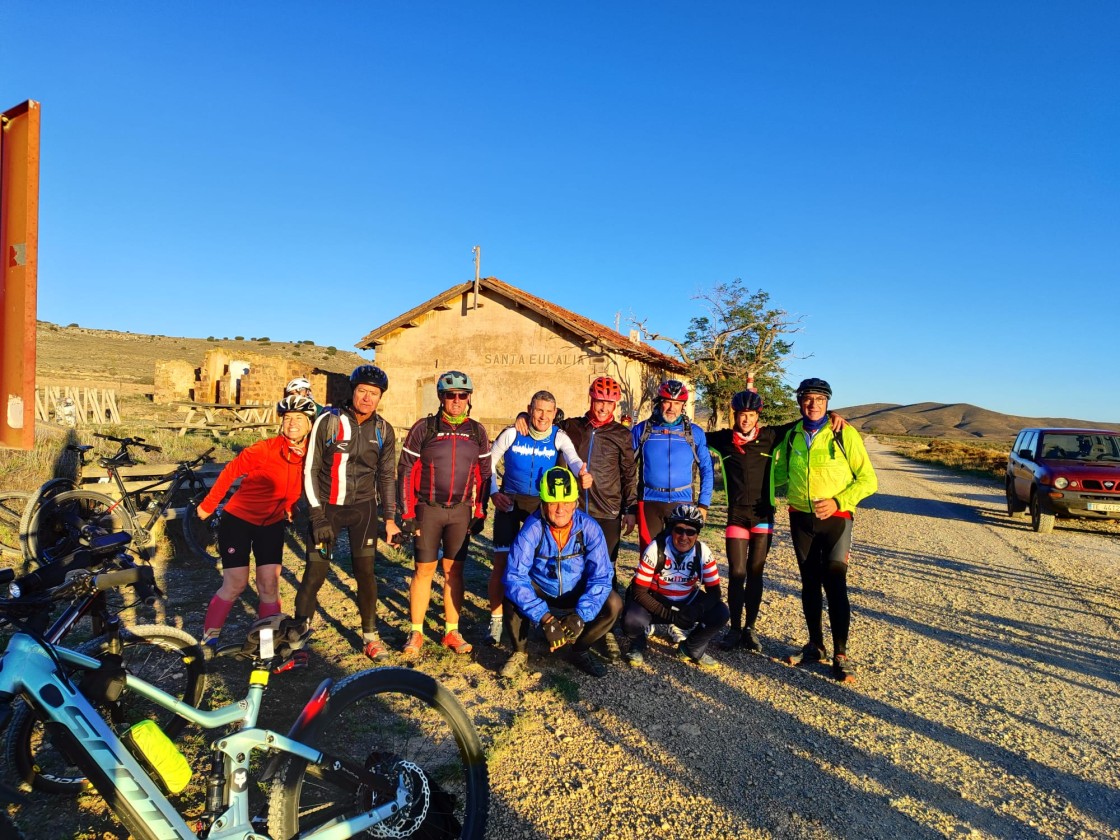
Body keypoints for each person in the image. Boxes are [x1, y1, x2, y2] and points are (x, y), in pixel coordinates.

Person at [706, 391, 846, 653]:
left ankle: (750, 629)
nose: (745, 420)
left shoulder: (770, 436)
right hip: (736, 515)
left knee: (756, 572)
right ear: (734, 415)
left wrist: (832, 415)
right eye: (741, 415)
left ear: (758, 415)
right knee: (737, 573)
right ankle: (734, 629)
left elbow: (804, 419)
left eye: (750, 415)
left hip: (763, 516)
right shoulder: (723, 439)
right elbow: (690, 435)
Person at [772, 377, 877, 683]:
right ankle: (815, 645)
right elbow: (777, 474)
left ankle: (841, 654)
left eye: (820, 399)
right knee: (808, 584)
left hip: (837, 519)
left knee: (835, 583)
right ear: (799, 402)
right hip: (800, 517)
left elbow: (868, 480)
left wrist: (838, 501)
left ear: (828, 403)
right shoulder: (791, 434)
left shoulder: (844, 433)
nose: (813, 404)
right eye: (807, 398)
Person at [291, 364, 399, 661]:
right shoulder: (328, 421)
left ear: (380, 397)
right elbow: (310, 468)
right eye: (362, 391)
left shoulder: (383, 430)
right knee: (315, 572)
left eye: (373, 393)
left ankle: (370, 636)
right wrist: (316, 515)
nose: (367, 398)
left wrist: (389, 518)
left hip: (363, 510)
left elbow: (387, 476)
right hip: (327, 507)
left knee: (366, 573)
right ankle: (298, 637)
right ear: (353, 391)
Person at [197, 394, 317, 645]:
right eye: (287, 418)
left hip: (271, 524)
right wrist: (208, 506)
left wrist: (290, 506)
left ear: (310, 423)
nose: (292, 423)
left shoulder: (309, 457)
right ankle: (209, 640)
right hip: (238, 521)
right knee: (236, 583)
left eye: (299, 418)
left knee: (269, 585)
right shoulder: (264, 449)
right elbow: (230, 471)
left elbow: (297, 485)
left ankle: (265, 646)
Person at [398, 371, 492, 658]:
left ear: (468, 398)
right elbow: (405, 471)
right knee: (424, 570)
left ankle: (451, 630)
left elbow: (484, 474)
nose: (457, 400)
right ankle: (416, 631)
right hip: (428, 510)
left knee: (454, 572)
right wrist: (407, 512)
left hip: (460, 511)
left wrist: (480, 511)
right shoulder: (423, 428)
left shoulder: (477, 431)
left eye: (462, 395)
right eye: (450, 395)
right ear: (441, 397)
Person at [487, 391, 590, 646]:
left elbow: (575, 460)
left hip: (541, 505)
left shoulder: (559, 437)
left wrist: (582, 474)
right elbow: (488, 462)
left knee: (539, 559)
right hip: (510, 500)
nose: (543, 416)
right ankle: (496, 619)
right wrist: (493, 492)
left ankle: (540, 614)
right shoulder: (513, 433)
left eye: (548, 411)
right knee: (502, 562)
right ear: (529, 409)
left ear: (555, 414)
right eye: (538, 410)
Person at [500, 466, 622, 679]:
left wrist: (580, 616)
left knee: (614, 603)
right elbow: (514, 578)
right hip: (543, 589)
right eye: (553, 502)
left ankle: (579, 650)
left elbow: (601, 577)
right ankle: (519, 653)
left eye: (566, 502)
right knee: (511, 597)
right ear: (543, 503)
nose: (560, 509)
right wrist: (546, 619)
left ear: (575, 503)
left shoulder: (590, 528)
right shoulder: (531, 529)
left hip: (575, 591)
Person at [621, 504, 728, 669]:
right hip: (656, 600)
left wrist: (696, 610)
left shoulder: (703, 551)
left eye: (691, 532)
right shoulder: (656, 548)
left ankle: (690, 648)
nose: (684, 537)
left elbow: (714, 593)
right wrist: (670, 616)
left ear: (697, 534)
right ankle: (638, 644)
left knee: (720, 612)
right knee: (630, 618)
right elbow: (638, 591)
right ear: (671, 529)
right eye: (679, 530)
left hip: (686, 602)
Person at [631, 380, 714, 552]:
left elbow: (707, 469)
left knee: (679, 558)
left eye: (677, 403)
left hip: (682, 502)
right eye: (668, 401)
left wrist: (703, 504)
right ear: (660, 402)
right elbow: (627, 470)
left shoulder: (694, 433)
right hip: (649, 502)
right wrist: (629, 507)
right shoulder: (642, 430)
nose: (671, 408)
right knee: (649, 556)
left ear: (683, 405)